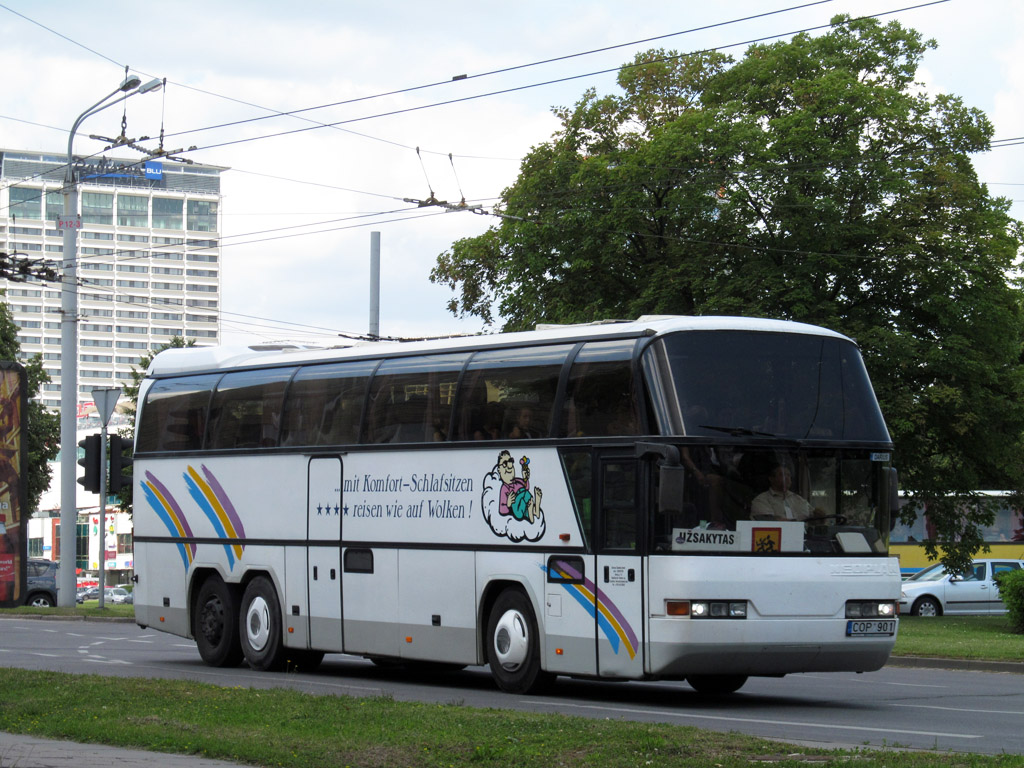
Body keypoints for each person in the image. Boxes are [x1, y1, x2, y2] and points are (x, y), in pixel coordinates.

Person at [751, 463, 825, 522]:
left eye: (788, 475)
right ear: (771, 479)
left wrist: (819, 515)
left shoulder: (798, 499)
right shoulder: (761, 500)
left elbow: (815, 517)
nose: (786, 478)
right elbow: (767, 522)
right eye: (782, 475)